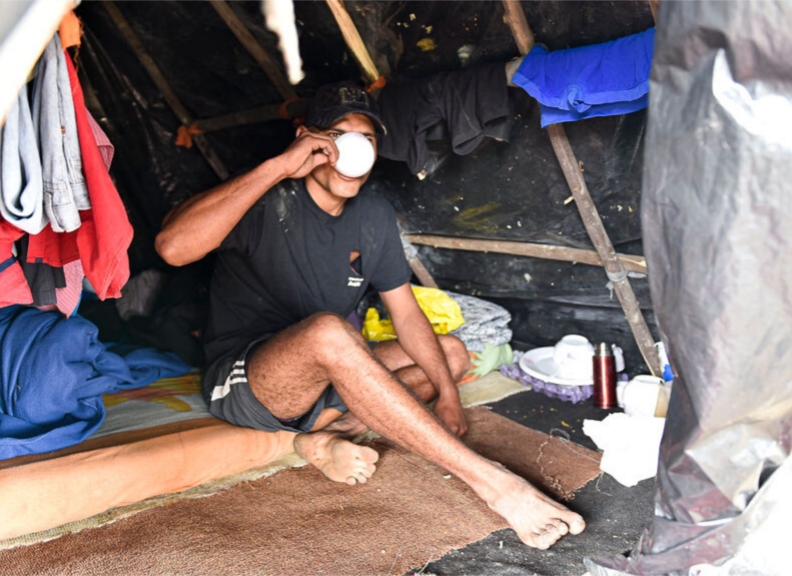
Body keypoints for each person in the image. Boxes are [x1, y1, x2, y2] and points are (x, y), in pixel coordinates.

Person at [155, 81, 585, 549]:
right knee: (330, 333)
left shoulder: (373, 213)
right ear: (309, 139)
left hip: (328, 377)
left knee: (451, 354)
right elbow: (173, 248)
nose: (353, 151)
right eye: (339, 137)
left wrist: (446, 395)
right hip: (248, 380)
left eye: (367, 140)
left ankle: (322, 439)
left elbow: (406, 312)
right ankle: (493, 483)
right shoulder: (264, 197)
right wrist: (280, 166)